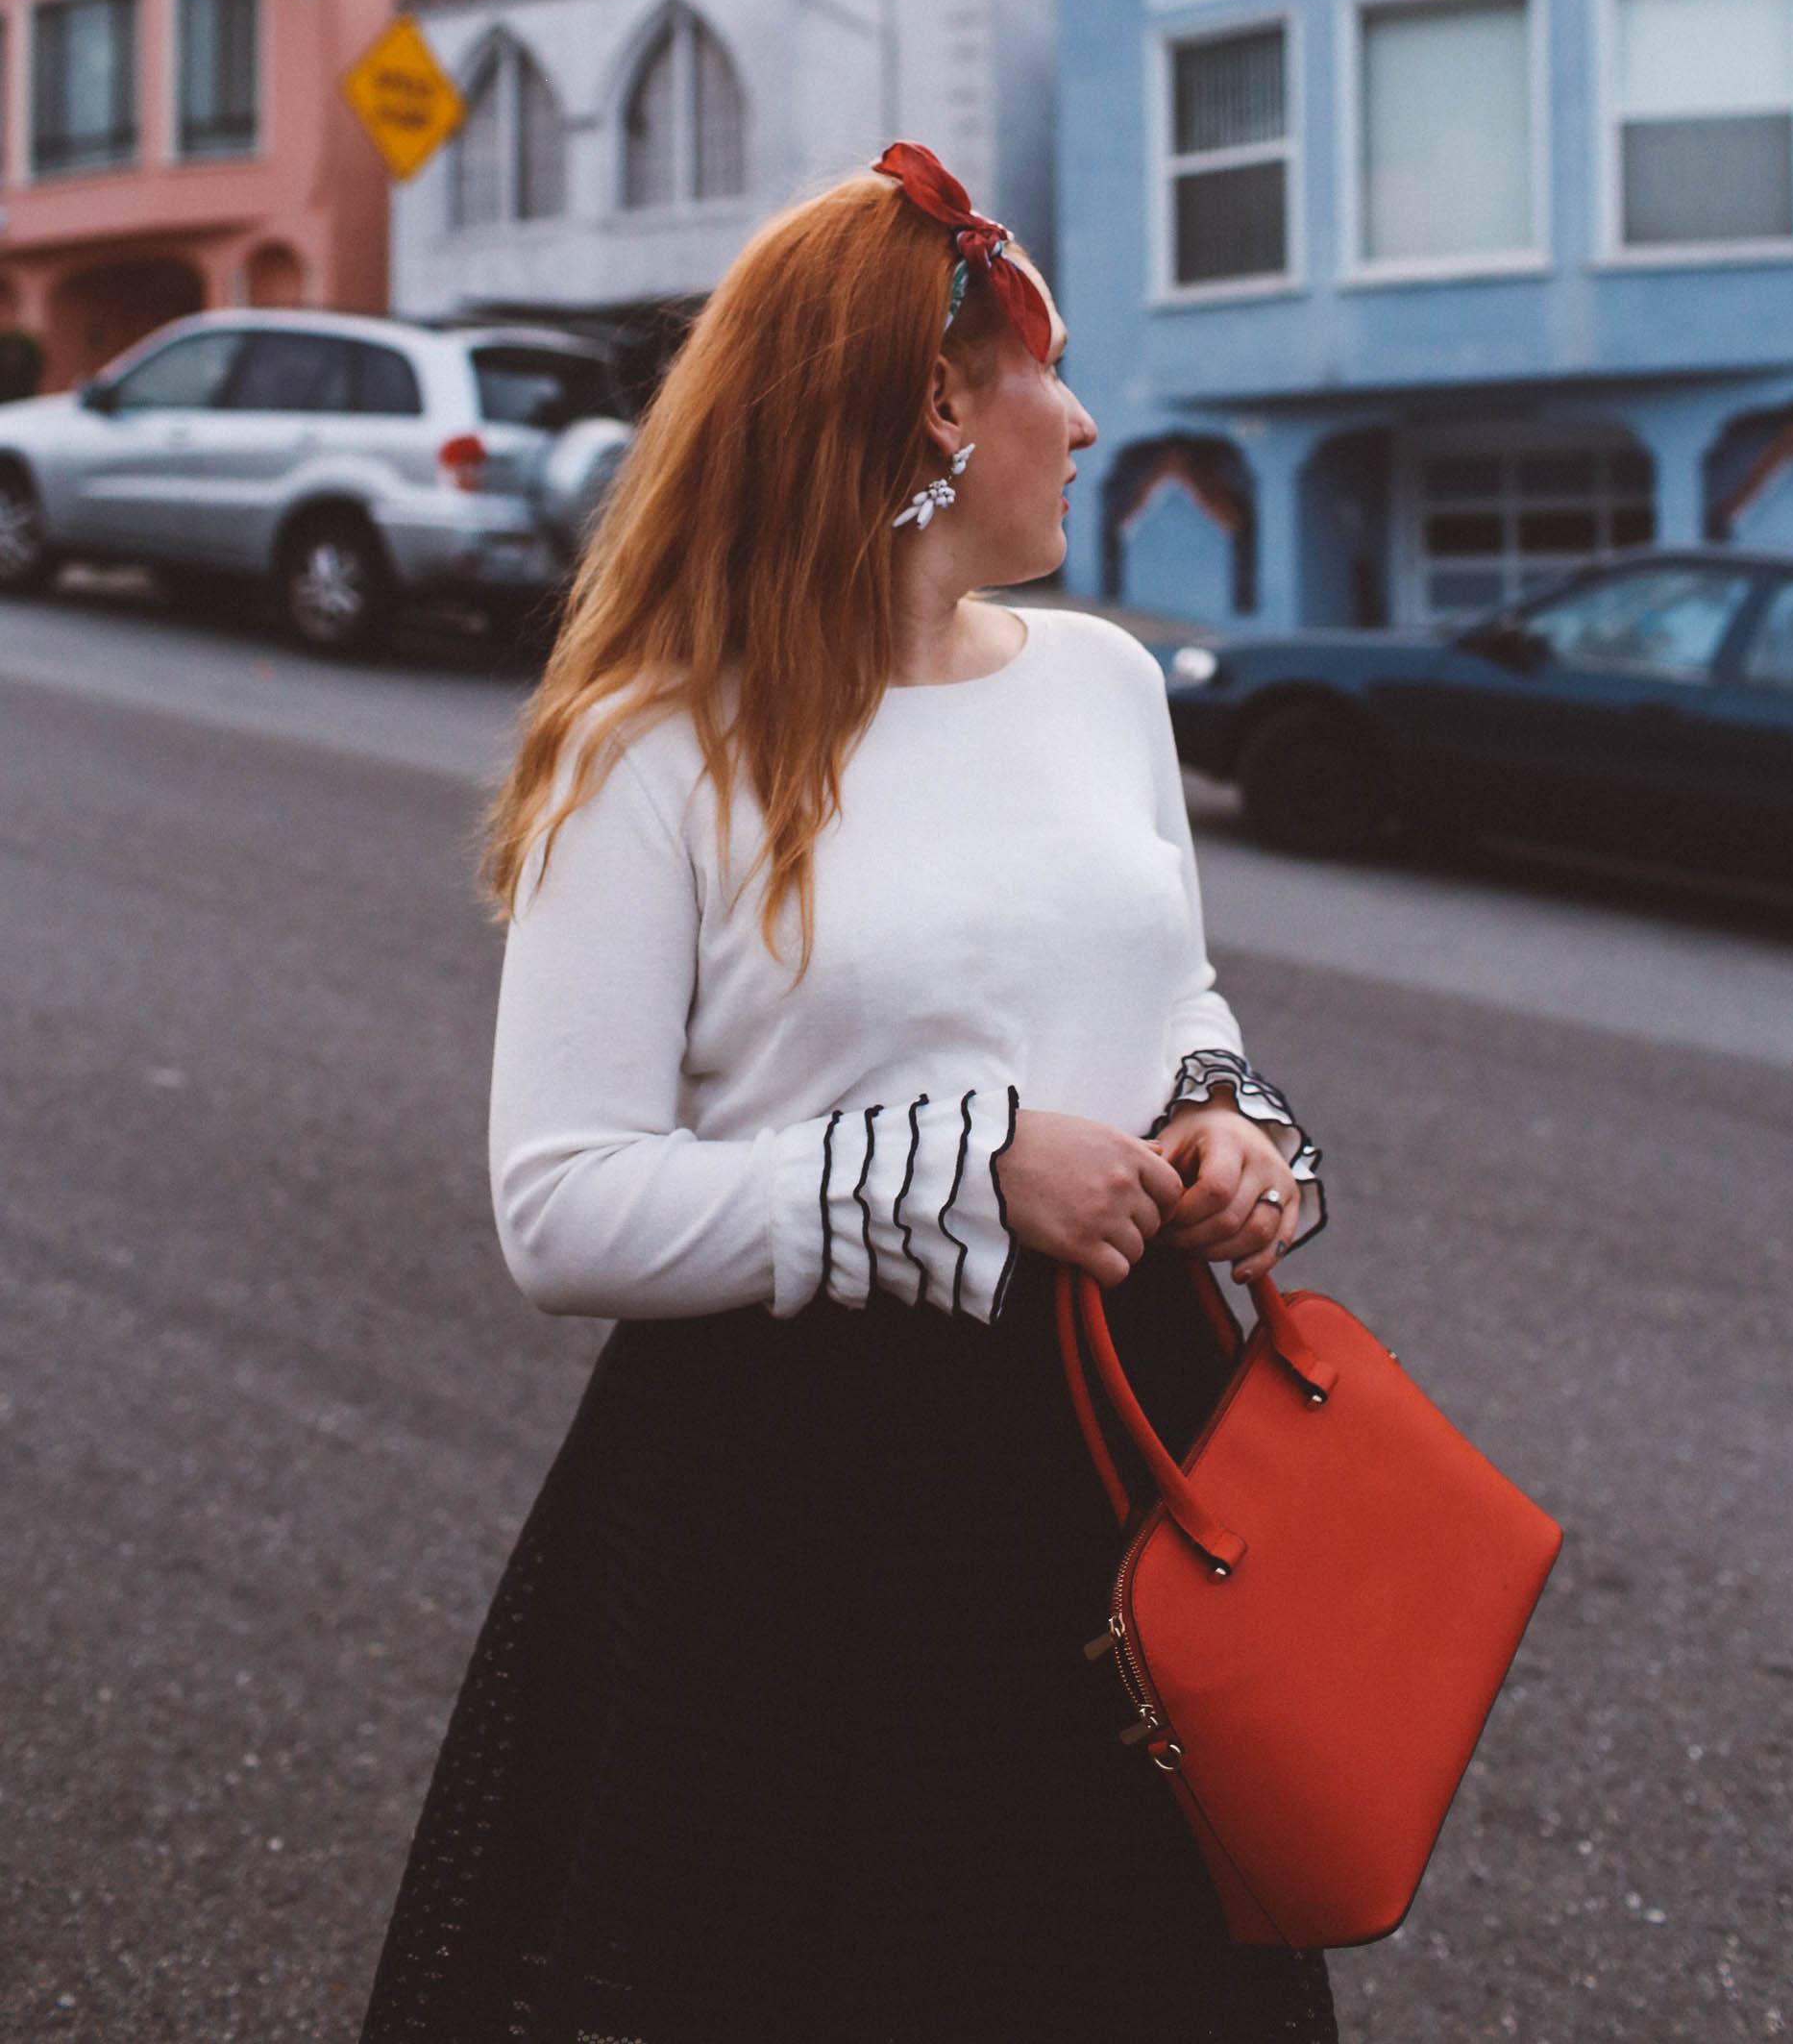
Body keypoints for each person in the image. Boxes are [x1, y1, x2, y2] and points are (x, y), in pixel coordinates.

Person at [357, 143, 1336, 2044]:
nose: (1088, 417)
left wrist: (1223, 1123)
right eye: (1049, 372)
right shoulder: (651, 752)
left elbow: (1165, 985)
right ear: (936, 406)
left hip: (1130, 1433)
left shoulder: (1100, 688)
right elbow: (560, 1204)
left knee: (1133, 1971)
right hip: (794, 1497)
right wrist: (977, 1174)